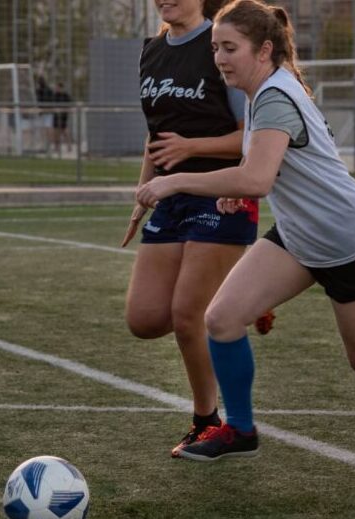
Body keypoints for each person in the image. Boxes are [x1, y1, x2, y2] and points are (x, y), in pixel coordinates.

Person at [136, 0, 355, 478]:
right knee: (221, 319)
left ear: (264, 50)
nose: (220, 58)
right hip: (299, 238)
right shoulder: (261, 91)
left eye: (230, 48)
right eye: (216, 48)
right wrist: (229, 190)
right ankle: (239, 429)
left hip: (350, 241)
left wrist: (174, 181)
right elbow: (262, 172)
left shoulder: (273, 98)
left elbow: (257, 180)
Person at [123, 0, 275, 459]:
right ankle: (245, 296)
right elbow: (157, 136)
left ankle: (207, 419)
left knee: (190, 315)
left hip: (224, 193)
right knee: (145, 319)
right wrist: (143, 191)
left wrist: (192, 148)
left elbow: (251, 134)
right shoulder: (151, 50)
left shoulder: (220, 45)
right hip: (172, 196)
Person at [52, 82, 72, 154]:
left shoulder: (66, 96)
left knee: (65, 131)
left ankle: (69, 146)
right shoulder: (54, 95)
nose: (56, 89)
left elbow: (69, 106)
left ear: (61, 88)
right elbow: (52, 105)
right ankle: (56, 147)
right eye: (56, 88)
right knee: (55, 132)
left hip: (63, 116)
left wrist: (64, 110)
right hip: (56, 116)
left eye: (57, 87)